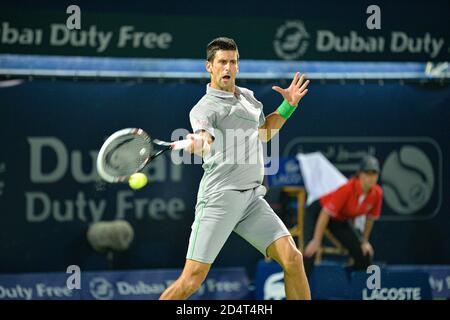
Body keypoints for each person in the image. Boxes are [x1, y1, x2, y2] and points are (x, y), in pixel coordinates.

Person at [159, 37, 311, 300]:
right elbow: (205, 136)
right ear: (209, 66)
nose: (228, 67)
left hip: (251, 198)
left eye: (233, 62)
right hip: (220, 198)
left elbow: (264, 133)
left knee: (293, 259)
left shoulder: (249, 99)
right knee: (191, 280)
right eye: (222, 62)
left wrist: (288, 106)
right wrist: (199, 140)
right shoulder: (204, 108)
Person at [303, 155, 383, 277]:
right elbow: (325, 213)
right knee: (310, 252)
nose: (371, 178)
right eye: (367, 173)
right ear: (360, 174)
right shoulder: (347, 189)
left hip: (338, 220)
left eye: (374, 174)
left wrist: (364, 241)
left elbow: (370, 219)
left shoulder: (377, 193)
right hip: (317, 212)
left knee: (364, 254)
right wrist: (316, 240)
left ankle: (351, 288)